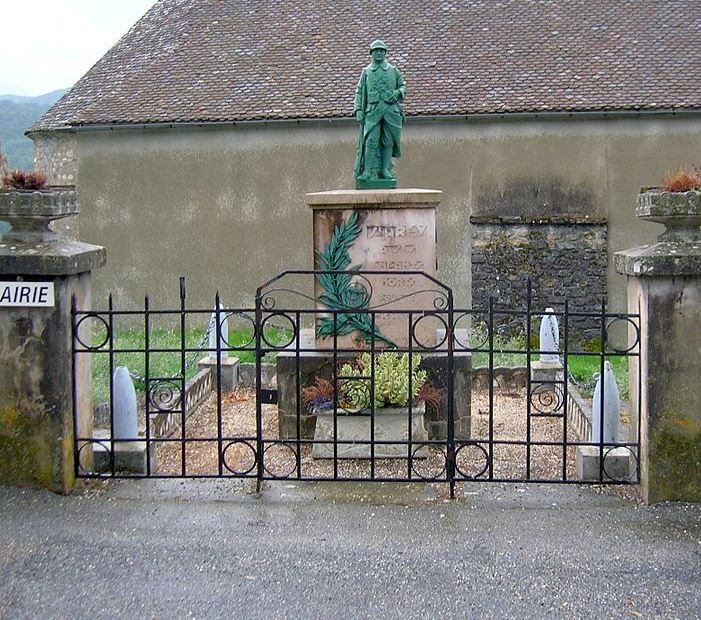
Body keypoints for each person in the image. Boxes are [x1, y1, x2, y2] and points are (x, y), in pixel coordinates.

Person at [353, 40, 406, 184]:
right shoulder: (366, 72)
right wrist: (358, 109)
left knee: (388, 141)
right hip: (373, 110)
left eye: (381, 51)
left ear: (385, 53)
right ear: (371, 53)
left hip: (391, 110)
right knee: (371, 140)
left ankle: (385, 170)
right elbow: (359, 91)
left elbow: (403, 86)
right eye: (376, 51)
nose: (379, 53)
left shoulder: (393, 70)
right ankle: (367, 171)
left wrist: (397, 93)